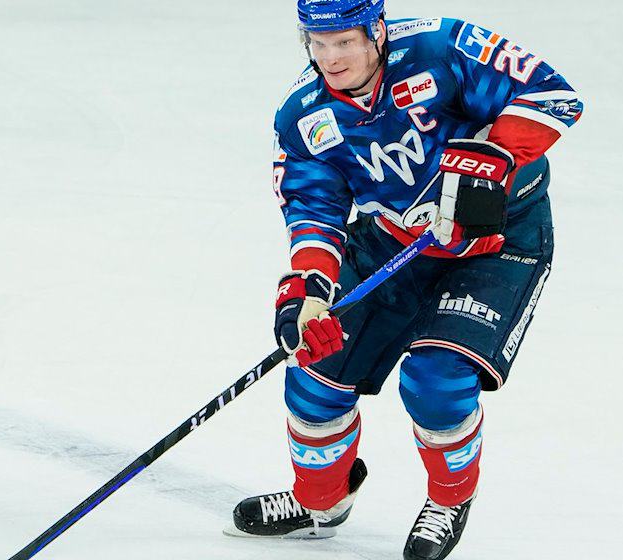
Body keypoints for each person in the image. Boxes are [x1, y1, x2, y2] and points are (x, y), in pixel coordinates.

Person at [223, 2, 583, 559]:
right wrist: (311, 294)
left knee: (437, 379)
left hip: (499, 240)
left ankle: (449, 500)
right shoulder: (304, 116)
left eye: (343, 42)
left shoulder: (443, 49)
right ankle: (320, 499)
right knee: (316, 371)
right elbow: (313, 211)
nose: (330, 59)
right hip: (397, 241)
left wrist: (491, 162)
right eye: (317, 44)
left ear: (377, 31)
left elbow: (553, 94)